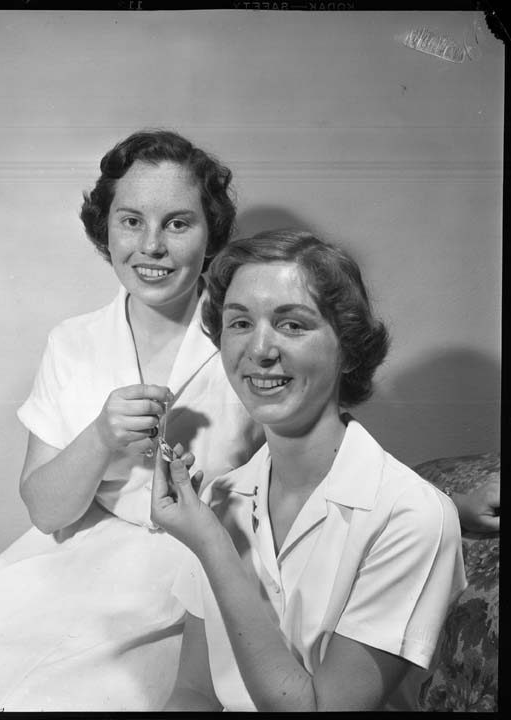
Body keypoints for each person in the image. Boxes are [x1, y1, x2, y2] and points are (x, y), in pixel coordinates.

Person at [0, 130, 264, 712]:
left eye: (178, 223)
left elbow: (310, 469)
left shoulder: (249, 337)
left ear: (211, 233)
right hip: (78, 560)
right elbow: (47, 513)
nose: (151, 246)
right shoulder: (73, 342)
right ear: (106, 229)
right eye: (131, 221)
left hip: (203, 581)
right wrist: (99, 438)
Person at [151, 229, 468, 712]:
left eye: (292, 325)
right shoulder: (218, 497)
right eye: (240, 323)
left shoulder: (413, 516)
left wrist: (213, 544)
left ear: (349, 349)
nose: (260, 349)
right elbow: (194, 693)